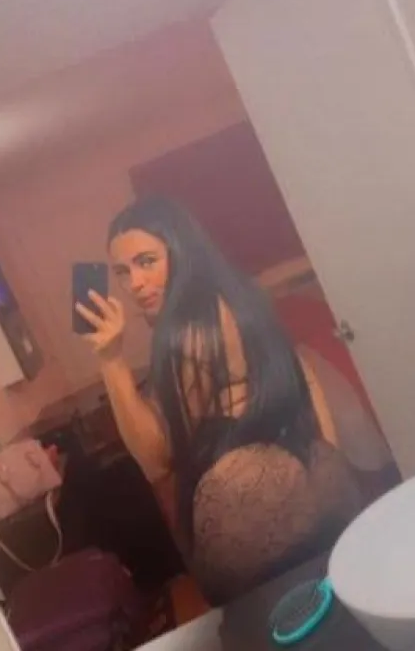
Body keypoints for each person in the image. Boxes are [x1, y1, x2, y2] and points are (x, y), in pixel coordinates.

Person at [76, 196, 362, 605]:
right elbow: (306, 375)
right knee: (347, 602)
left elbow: (156, 458)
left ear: (180, 249)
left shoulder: (184, 332)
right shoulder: (242, 297)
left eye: (147, 261)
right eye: (123, 271)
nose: (134, 283)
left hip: (245, 512)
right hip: (316, 474)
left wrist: (110, 358)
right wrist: (326, 454)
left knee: (273, 623)